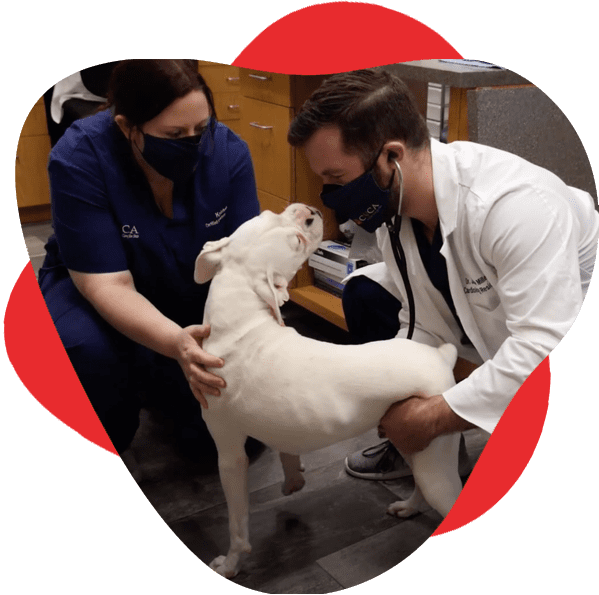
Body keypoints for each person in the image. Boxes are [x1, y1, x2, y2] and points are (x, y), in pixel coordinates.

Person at [288, 68, 599, 480]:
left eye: (336, 179)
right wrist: (389, 394)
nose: (330, 197)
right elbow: (421, 324)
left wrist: (434, 415)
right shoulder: (395, 210)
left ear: (391, 157)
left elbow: (545, 352)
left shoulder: (515, 207)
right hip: (489, 318)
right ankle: (437, 452)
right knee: (364, 291)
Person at [38, 60, 260, 461]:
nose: (192, 143)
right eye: (174, 134)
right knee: (87, 354)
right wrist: (176, 342)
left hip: (185, 290)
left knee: (221, 448)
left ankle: (156, 378)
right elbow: (106, 285)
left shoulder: (227, 153)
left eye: (200, 129)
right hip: (95, 287)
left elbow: (247, 260)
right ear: (127, 127)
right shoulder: (80, 156)